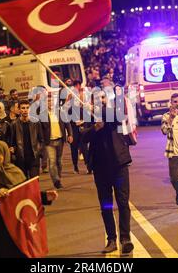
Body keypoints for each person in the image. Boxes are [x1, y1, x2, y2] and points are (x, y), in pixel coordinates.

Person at [0, 141, 58, 258]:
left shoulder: (16, 173)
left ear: (6, 154)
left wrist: (45, 197)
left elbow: (25, 196)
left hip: (14, 228)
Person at [81, 94, 134, 255]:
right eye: (97, 99)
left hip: (119, 165)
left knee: (123, 203)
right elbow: (83, 136)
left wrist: (99, 111)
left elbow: (116, 119)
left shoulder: (113, 112)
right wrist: (94, 128)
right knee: (106, 205)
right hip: (100, 167)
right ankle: (111, 239)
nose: (100, 100)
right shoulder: (88, 115)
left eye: (103, 98)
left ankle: (125, 239)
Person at [41, 97, 73, 189]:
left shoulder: (60, 112)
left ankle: (58, 178)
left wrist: (70, 134)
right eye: (48, 101)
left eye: (51, 101)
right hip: (49, 142)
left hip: (60, 140)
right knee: (52, 161)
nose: (50, 103)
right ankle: (56, 181)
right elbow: (40, 129)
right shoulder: (42, 114)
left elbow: (67, 124)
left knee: (59, 161)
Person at [10, 100, 43, 179]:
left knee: (34, 182)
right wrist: (14, 151)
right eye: (23, 108)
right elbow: (12, 141)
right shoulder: (14, 124)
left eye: (27, 108)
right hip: (21, 158)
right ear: (19, 110)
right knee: (23, 183)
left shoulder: (36, 122)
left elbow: (41, 139)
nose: (25, 110)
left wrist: (39, 153)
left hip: (34, 157)